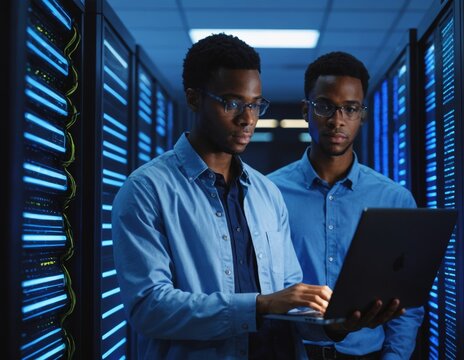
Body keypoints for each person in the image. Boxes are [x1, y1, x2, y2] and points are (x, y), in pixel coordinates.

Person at [112, 35, 399, 360]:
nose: (248, 118)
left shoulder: (266, 193)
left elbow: (291, 304)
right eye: (232, 103)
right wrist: (260, 305)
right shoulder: (147, 191)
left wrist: (336, 325)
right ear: (194, 99)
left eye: (254, 104)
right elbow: (149, 307)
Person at [268, 51, 425, 360]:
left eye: (350, 108)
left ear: (362, 115)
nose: (337, 120)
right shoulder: (269, 192)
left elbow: (406, 303)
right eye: (325, 106)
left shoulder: (394, 199)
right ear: (306, 110)